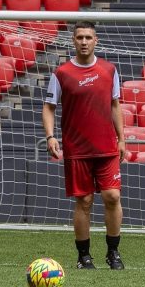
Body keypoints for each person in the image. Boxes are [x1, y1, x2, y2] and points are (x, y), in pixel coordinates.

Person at [42, 21, 126, 270]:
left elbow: (115, 105)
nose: (84, 41)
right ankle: (84, 256)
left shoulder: (110, 70)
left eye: (88, 37)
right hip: (77, 149)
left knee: (112, 196)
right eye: (79, 37)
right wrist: (50, 136)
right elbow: (48, 107)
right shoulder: (62, 73)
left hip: (107, 146)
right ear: (73, 40)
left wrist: (122, 138)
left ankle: (113, 252)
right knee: (85, 201)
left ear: (96, 40)